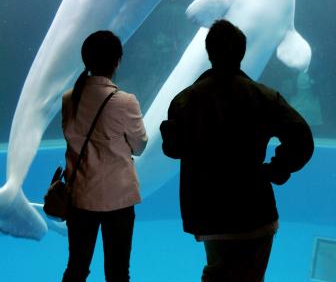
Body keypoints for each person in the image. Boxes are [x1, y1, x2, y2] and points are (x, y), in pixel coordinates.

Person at [160, 20, 314, 282]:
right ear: (242, 53)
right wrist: (276, 170)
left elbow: (173, 150)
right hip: (255, 210)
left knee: (217, 272)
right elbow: (302, 139)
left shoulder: (186, 100)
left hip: (210, 213)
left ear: (209, 53)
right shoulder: (265, 96)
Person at [61, 30, 148, 282]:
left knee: (76, 268)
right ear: (117, 61)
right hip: (118, 199)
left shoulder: (69, 99)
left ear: (85, 60)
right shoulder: (125, 101)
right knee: (118, 271)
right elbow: (140, 146)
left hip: (80, 197)